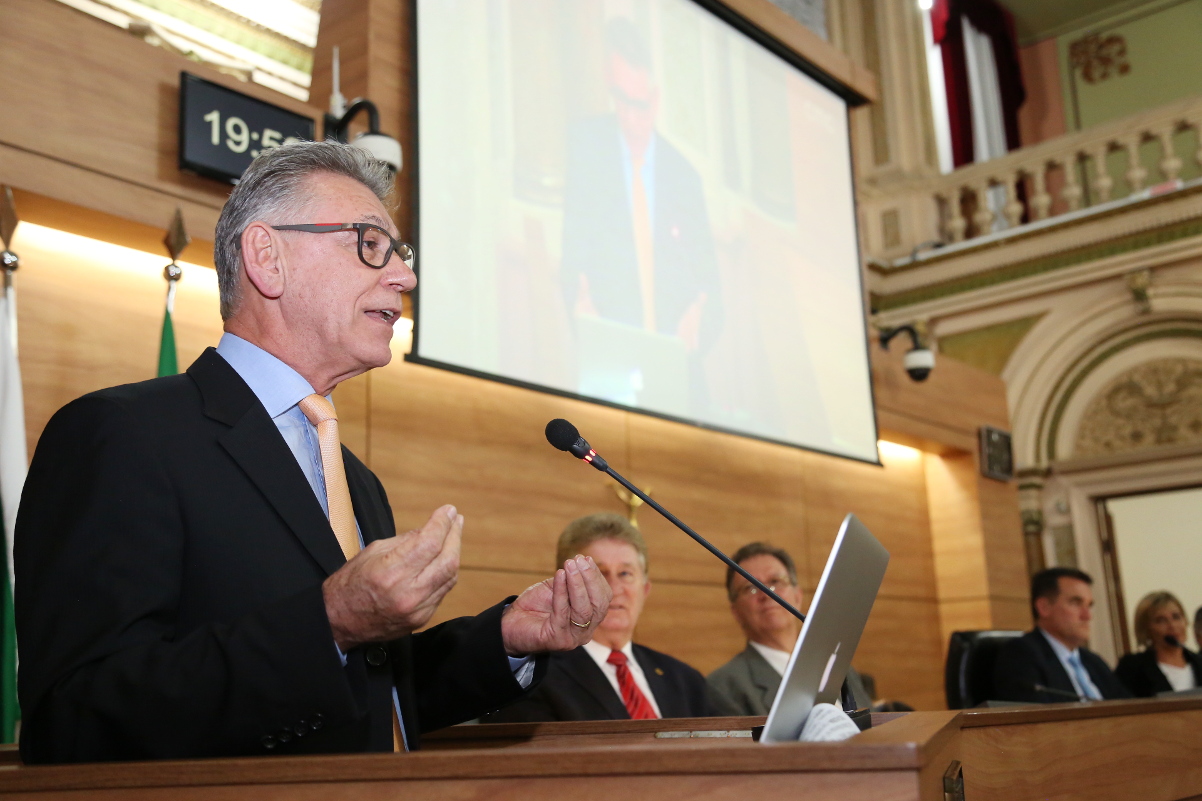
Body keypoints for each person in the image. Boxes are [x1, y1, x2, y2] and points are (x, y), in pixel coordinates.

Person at [14, 141, 611, 764]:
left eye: (400, 254)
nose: (404, 277)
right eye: (369, 244)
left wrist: (506, 641)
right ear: (267, 259)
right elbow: (77, 716)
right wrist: (330, 619)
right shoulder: (121, 435)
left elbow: (371, 701)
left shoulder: (356, 480)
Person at [560, 18, 722, 411]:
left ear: (656, 97)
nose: (631, 118)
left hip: (677, 371)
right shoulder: (585, 147)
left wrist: (698, 319)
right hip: (608, 367)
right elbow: (573, 259)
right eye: (621, 99)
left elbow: (710, 288)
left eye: (641, 104)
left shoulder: (684, 177)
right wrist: (580, 306)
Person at [485, 513, 720, 721]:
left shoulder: (685, 680)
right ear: (566, 588)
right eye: (599, 574)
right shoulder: (532, 680)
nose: (614, 588)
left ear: (645, 589)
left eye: (625, 573)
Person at [706, 542, 870, 715]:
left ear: (798, 597)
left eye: (775, 581)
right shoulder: (722, 688)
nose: (766, 594)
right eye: (751, 587)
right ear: (736, 611)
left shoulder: (836, 666)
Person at [992, 567, 1130, 703]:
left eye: (1089, 606)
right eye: (1076, 603)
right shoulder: (1021, 655)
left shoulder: (1093, 661)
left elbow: (1131, 709)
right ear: (1044, 607)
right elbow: (1038, 719)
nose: (1087, 616)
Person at [1115, 591, 1202, 696]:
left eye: (1176, 617)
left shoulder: (1198, 662)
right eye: (1161, 620)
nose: (1172, 625)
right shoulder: (1132, 668)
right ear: (1146, 629)